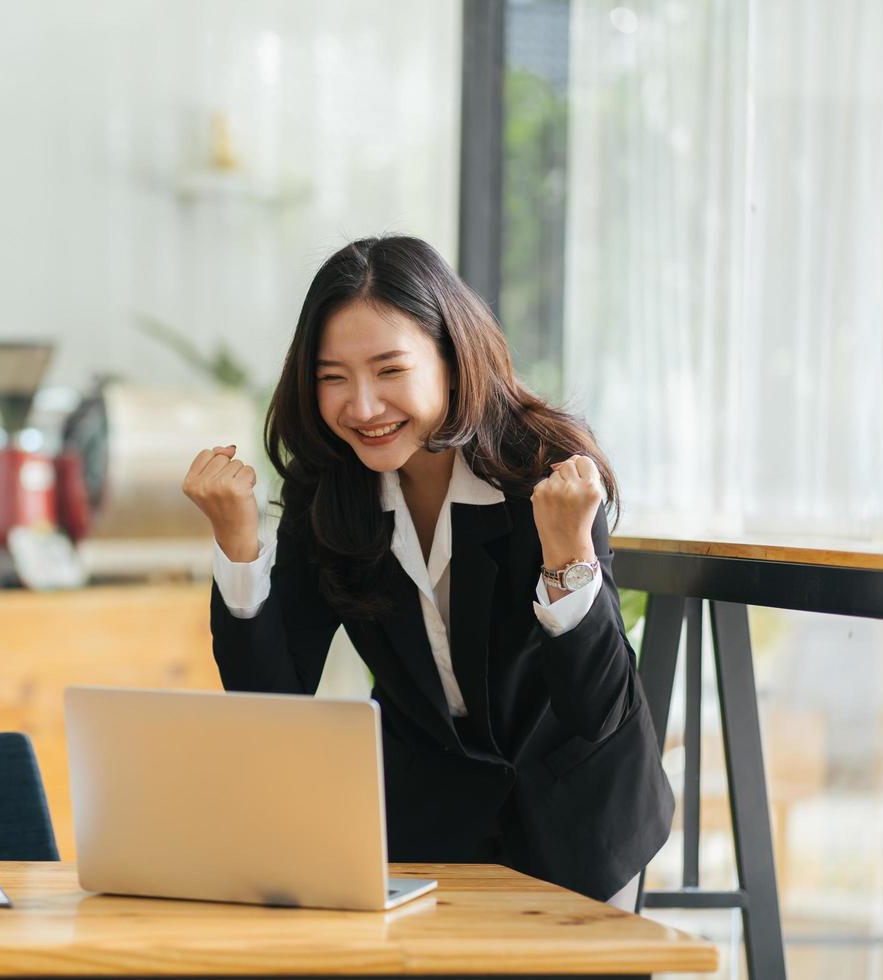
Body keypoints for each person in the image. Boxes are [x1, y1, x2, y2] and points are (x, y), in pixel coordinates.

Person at [182, 236, 672, 909]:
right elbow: (273, 703)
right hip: (429, 824)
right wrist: (238, 545)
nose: (361, 406)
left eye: (389, 370)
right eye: (332, 377)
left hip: (578, 813)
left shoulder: (543, 469)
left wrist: (568, 561)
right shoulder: (327, 491)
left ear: (450, 358)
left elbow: (596, 708)